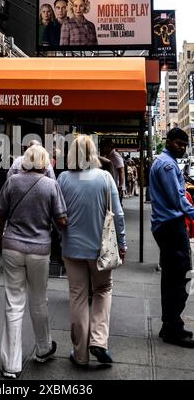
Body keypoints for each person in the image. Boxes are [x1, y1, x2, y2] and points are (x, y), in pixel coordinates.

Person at [0, 144, 67, 379]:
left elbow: (0, 212)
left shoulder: (13, 181)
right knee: (39, 300)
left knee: (13, 303)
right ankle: (44, 347)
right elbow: (61, 220)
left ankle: (11, 364)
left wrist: (0, 236)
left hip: (12, 247)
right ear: (45, 162)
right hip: (40, 249)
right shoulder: (51, 185)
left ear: (25, 160)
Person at [57, 135, 126, 367]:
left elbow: (57, 215)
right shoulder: (105, 177)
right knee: (103, 289)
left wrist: (61, 236)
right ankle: (98, 341)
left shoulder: (63, 178)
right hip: (100, 249)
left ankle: (80, 354)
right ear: (94, 153)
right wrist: (123, 244)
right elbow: (118, 215)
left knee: (77, 296)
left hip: (72, 248)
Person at [150, 128, 194, 348]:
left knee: (172, 277)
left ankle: (169, 324)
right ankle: (173, 328)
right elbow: (177, 199)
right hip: (171, 226)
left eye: (185, 145)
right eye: (179, 144)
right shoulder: (167, 165)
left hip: (165, 226)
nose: (182, 148)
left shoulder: (164, 162)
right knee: (179, 277)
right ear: (168, 142)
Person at [100, 138, 125, 204]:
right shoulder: (108, 155)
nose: (103, 149)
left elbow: (121, 170)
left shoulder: (115, 155)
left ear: (109, 146)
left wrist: (120, 186)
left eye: (104, 146)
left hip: (116, 187)